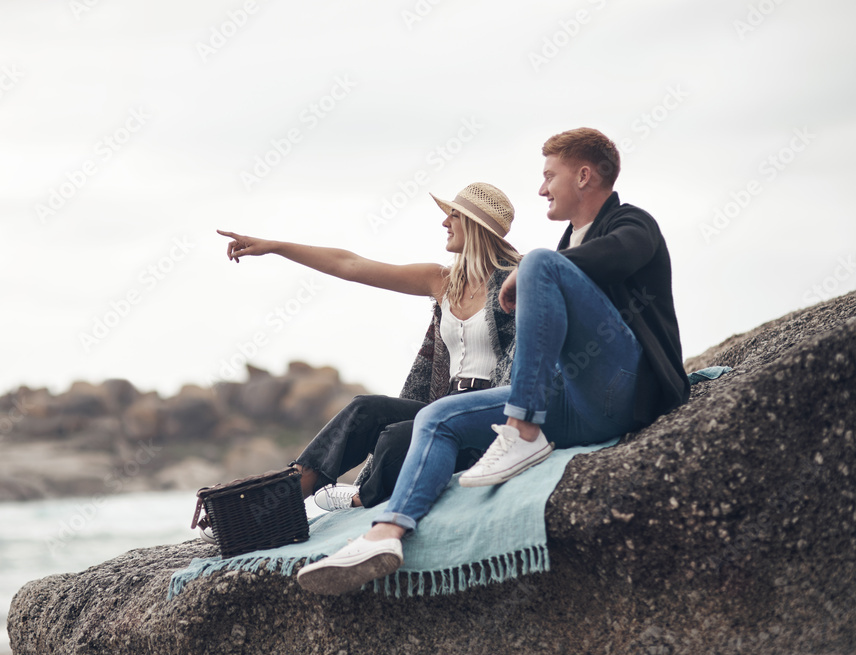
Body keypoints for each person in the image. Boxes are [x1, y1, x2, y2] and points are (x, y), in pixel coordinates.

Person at [296, 128, 692, 595]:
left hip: (623, 387)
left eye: (550, 176)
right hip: (573, 405)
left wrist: (529, 271)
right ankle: (386, 533)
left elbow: (621, 255)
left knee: (541, 262)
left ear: (584, 176)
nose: (542, 188)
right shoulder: (555, 252)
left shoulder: (630, 223)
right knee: (437, 415)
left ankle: (521, 431)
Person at [200, 182, 522, 542]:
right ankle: (267, 509)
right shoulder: (442, 280)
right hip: (442, 407)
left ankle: (358, 497)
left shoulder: (517, 281)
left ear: (477, 226)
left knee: (400, 436)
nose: (445, 223)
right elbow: (350, 265)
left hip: (485, 419)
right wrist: (276, 247)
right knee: (364, 409)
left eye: (454, 216)